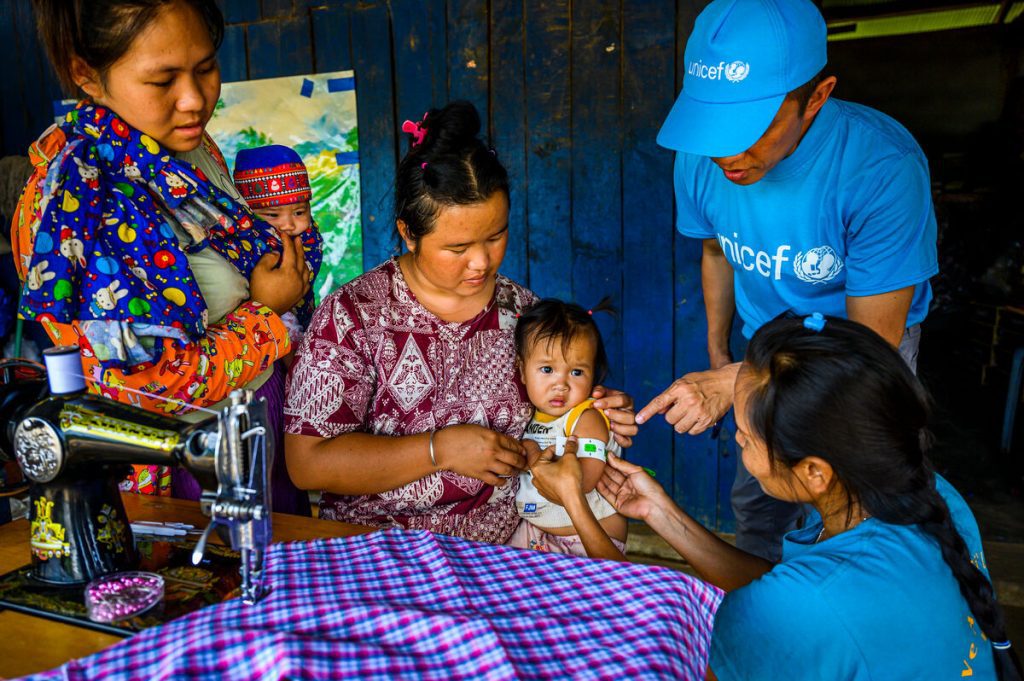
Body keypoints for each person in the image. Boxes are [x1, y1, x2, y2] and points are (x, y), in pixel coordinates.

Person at [533, 315, 1021, 680]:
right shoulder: (934, 496)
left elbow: (792, 600)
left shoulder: (786, 611)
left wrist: (575, 502)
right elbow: (791, 585)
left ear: (814, 473)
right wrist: (661, 514)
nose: (738, 442)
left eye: (744, 437)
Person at [638, 0, 939, 560]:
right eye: (715, 128)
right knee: (762, 502)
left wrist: (738, 380)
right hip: (764, 344)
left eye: (750, 129)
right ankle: (762, 601)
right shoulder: (701, 159)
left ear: (817, 99)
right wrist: (718, 351)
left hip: (865, 354)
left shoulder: (881, 168)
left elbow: (870, 346)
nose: (728, 153)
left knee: (864, 511)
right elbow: (715, 248)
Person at [283, 101, 636, 544]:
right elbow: (307, 463)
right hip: (381, 550)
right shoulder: (354, 316)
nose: (481, 261)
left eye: (496, 236)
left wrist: (593, 407)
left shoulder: (523, 311)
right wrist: (440, 449)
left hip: (507, 549)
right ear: (409, 233)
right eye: (457, 247)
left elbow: (560, 410)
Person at [12, 0, 309, 504]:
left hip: (256, 411)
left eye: (206, 69)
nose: (194, 100)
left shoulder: (180, 147)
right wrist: (268, 314)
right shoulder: (80, 203)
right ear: (86, 74)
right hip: (182, 470)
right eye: (163, 80)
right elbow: (148, 383)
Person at [505, 298, 626, 557]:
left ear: (594, 374)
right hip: (535, 532)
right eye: (547, 369)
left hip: (586, 538)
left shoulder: (587, 416)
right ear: (523, 371)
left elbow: (584, 480)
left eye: (577, 372)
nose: (561, 384)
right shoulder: (529, 415)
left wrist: (533, 456)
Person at [232, 143, 323, 344]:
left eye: (299, 212)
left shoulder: (308, 237)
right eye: (273, 215)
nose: (289, 225)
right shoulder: (244, 241)